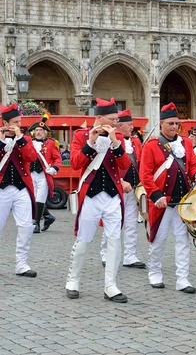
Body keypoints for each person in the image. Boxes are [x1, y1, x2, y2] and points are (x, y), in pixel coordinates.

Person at [65, 97, 131, 302]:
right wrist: (91, 142)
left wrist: (115, 142)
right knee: (83, 239)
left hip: (112, 196)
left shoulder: (117, 136)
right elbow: (75, 163)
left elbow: (125, 165)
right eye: (112, 119)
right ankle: (73, 280)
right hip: (91, 196)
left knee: (114, 240)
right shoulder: (81, 135)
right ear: (99, 117)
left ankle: (110, 285)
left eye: (117, 119)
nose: (115, 123)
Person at [139, 103, 196, 294]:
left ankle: (182, 279)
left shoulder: (186, 143)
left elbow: (192, 165)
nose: (174, 127)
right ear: (161, 124)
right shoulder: (151, 146)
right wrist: (156, 195)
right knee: (158, 238)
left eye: (176, 123)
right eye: (170, 123)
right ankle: (155, 273)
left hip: (183, 200)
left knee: (183, 240)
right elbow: (146, 174)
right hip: (162, 201)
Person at [99, 109, 146, 269]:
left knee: (132, 222)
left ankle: (130, 256)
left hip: (133, 188)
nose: (132, 127)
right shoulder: (111, 139)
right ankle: (106, 254)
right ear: (119, 125)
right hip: (116, 188)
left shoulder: (136, 141)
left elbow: (139, 163)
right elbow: (106, 165)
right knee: (113, 222)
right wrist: (119, 181)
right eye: (129, 124)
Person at [0, 104, 38, 278]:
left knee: (26, 226)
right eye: (15, 122)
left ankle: (22, 264)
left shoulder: (25, 138)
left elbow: (31, 157)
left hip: (21, 187)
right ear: (5, 122)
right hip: (2, 188)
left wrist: (20, 138)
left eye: (20, 121)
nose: (19, 125)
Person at [28, 113, 61, 233]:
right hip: (31, 174)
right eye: (36, 130)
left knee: (40, 198)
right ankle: (48, 216)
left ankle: (36, 223)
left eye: (41, 130)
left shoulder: (51, 143)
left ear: (45, 132)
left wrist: (55, 168)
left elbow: (58, 159)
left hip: (44, 175)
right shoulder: (30, 143)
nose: (38, 132)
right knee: (34, 198)